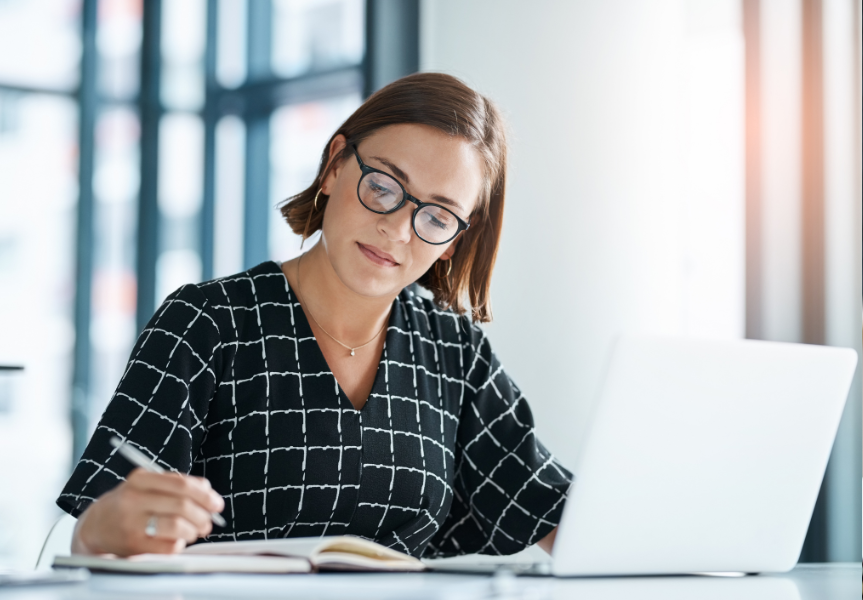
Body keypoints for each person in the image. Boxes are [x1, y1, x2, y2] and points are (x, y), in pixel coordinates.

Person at [58, 72, 572, 558]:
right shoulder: (208, 323)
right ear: (334, 166)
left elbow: (559, 512)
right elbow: (98, 532)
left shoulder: (454, 352)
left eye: (437, 216)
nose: (397, 230)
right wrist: (104, 526)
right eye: (384, 187)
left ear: (454, 240)